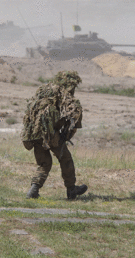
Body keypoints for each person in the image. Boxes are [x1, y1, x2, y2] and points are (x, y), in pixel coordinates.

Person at [22, 70, 88, 200]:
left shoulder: (44, 91)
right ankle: (71, 190)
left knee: (44, 163)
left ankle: (33, 190)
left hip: (34, 133)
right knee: (66, 159)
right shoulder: (66, 96)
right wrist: (65, 137)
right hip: (51, 134)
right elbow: (75, 119)